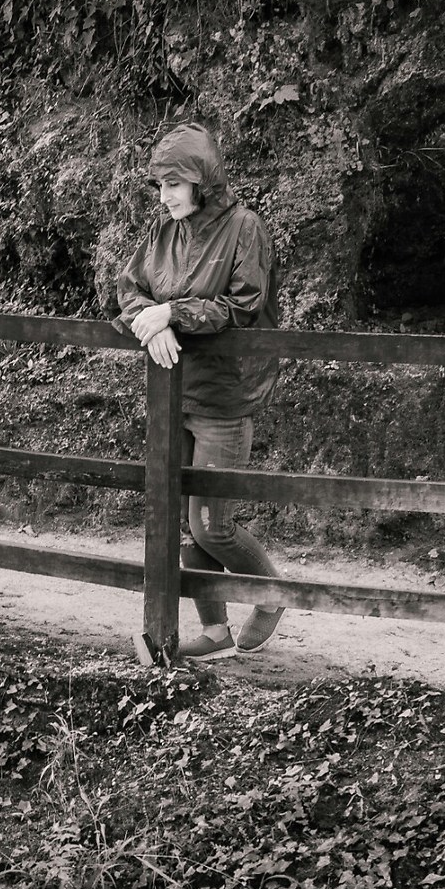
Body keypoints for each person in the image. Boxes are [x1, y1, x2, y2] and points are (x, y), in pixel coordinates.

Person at [113, 122, 284, 658]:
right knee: (183, 526)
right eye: (160, 185)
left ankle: (272, 595)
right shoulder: (163, 232)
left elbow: (242, 306)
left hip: (225, 397)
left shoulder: (245, 228)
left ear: (202, 181)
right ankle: (216, 631)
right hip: (173, 394)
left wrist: (172, 312)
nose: (163, 196)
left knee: (213, 526)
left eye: (173, 184)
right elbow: (128, 289)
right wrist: (153, 321)